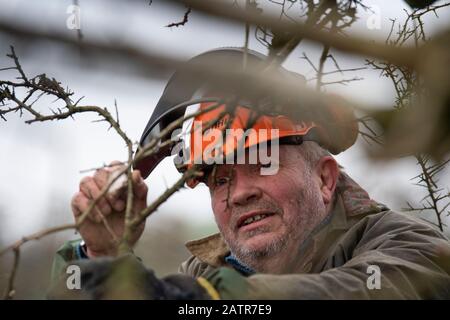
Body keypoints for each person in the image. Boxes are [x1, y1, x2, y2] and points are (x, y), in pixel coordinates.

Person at [49, 48, 450, 299]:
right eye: (219, 179)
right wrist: (102, 254)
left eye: (262, 163)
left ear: (325, 179)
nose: (237, 194)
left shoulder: (410, 249)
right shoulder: (205, 272)